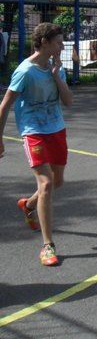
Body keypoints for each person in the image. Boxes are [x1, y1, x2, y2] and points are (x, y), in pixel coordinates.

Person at [0, 23, 73, 266]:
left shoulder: (55, 68)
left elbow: (68, 101)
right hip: (33, 131)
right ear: (44, 42)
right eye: (59, 42)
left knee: (58, 182)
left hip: (56, 128)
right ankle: (48, 245)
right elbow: (5, 105)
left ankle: (28, 205)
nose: (62, 47)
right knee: (47, 183)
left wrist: (57, 76)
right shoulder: (25, 71)